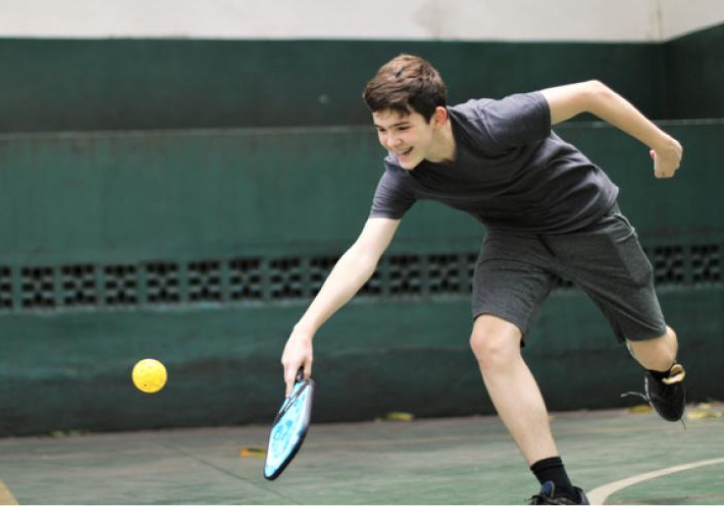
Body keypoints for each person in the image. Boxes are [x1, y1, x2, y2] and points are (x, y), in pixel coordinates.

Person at [279, 54, 685, 505]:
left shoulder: (495, 122)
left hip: (587, 221)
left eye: (402, 127)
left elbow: (592, 92)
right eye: (381, 130)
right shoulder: (402, 175)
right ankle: (559, 490)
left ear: (437, 117)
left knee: (655, 346)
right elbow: (363, 254)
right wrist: (304, 329)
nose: (392, 142)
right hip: (515, 237)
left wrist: (663, 145)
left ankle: (663, 372)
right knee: (490, 343)